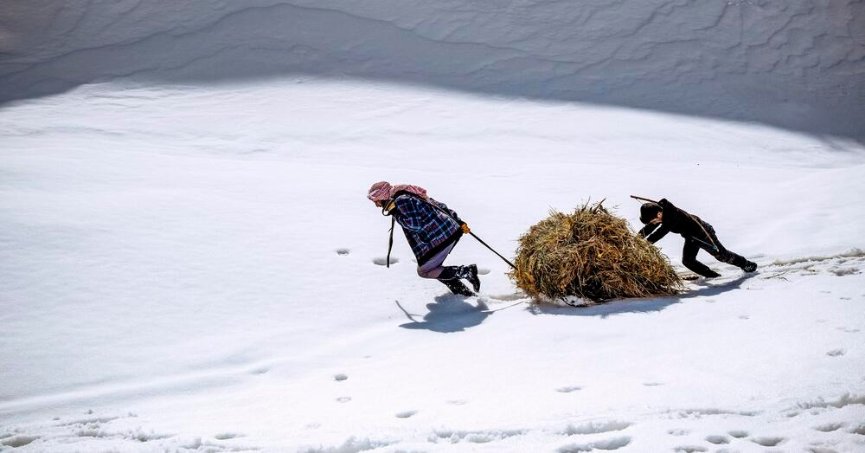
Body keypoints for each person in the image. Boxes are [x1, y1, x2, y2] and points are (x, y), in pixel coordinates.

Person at [367, 181, 480, 296]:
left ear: (382, 196)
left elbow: (415, 225)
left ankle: (467, 272)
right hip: (450, 230)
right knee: (436, 269)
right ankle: (463, 293)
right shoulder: (407, 193)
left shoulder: (401, 200)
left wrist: (395, 212)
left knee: (425, 271)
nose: (377, 205)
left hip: (441, 236)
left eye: (376, 201)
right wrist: (458, 221)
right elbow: (438, 205)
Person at [638, 198, 757, 278]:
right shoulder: (661, 212)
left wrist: (646, 243)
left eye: (654, 220)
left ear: (658, 214)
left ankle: (747, 264)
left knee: (722, 255)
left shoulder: (671, 216)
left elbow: (660, 233)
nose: (654, 223)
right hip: (691, 236)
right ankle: (712, 276)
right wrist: (636, 239)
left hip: (703, 234)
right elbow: (650, 227)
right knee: (688, 261)